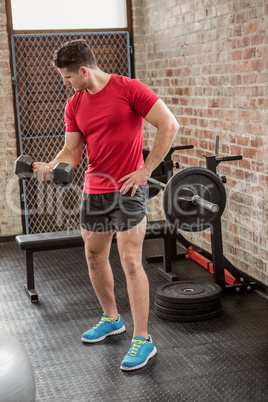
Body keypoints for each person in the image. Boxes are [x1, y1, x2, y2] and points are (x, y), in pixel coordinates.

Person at [33, 39, 179, 371]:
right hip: (94, 191)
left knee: (129, 261)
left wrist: (145, 169)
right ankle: (112, 319)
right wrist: (51, 168)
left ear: (83, 71)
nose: (65, 83)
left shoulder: (130, 89)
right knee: (95, 256)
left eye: (67, 77)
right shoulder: (74, 104)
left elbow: (169, 124)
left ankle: (143, 339)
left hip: (128, 190)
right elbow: (71, 153)